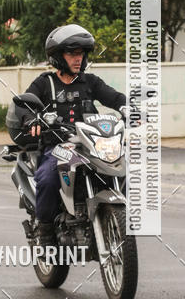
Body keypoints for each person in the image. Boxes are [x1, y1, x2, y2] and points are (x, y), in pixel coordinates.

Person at [24, 24, 126, 245]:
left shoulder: (90, 82)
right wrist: (32, 118)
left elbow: (115, 97)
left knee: (120, 166)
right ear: (58, 56)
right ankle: (45, 231)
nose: (78, 58)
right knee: (48, 178)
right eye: (72, 53)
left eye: (81, 53)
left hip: (90, 144)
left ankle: (115, 216)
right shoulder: (45, 83)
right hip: (59, 147)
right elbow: (27, 103)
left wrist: (129, 108)